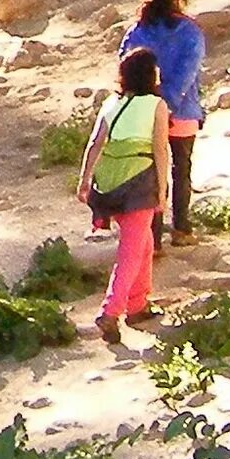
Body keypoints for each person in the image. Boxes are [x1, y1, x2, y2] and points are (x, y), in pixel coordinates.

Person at [74, 47, 170, 345]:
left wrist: (85, 180)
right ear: (151, 75)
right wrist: (163, 189)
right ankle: (111, 311)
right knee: (131, 249)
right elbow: (160, 149)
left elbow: (94, 144)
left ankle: (138, 305)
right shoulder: (156, 105)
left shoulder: (111, 104)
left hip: (108, 183)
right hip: (139, 183)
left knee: (144, 242)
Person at [121, 0, 205, 247]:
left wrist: (145, 104)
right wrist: (167, 104)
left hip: (143, 110)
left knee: (151, 174)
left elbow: (125, 63)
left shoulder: (137, 29)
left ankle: (152, 239)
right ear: (179, 2)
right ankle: (182, 229)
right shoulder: (191, 32)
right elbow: (186, 73)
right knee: (181, 169)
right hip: (183, 112)